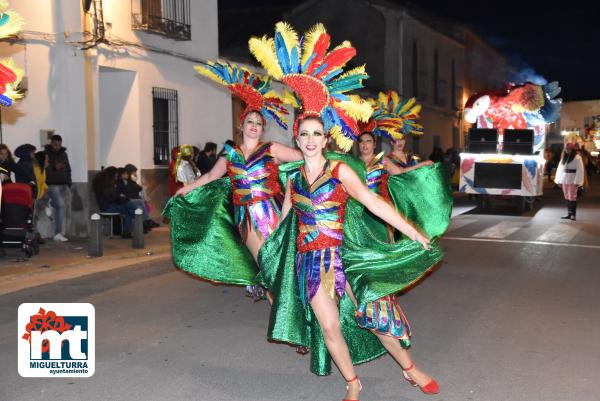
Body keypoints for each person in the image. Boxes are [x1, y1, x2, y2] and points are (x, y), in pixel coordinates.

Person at [249, 22, 450, 400]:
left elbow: (373, 202)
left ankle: (410, 369)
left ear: (326, 139)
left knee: (375, 320)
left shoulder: (338, 170)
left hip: (345, 258)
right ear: (297, 138)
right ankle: (352, 383)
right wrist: (266, 253)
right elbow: (283, 225)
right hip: (311, 264)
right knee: (328, 328)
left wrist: (414, 233)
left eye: (316, 134)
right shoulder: (293, 179)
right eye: (304, 134)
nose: (310, 140)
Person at [164, 61, 301, 302]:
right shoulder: (230, 154)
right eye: (250, 122)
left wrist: (315, 142)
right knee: (266, 267)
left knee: (282, 264)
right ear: (241, 125)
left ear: (262, 128)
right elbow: (209, 177)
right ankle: (282, 318)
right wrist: (187, 188)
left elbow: (304, 159)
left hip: (275, 213)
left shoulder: (272, 149)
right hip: (246, 218)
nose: (254, 127)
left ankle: (292, 315)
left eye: (259, 123)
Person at [44, 134, 72, 242]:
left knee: (65, 206)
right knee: (60, 206)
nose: (57, 146)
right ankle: (57, 233)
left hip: (64, 184)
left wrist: (69, 182)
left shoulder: (64, 154)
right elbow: (44, 169)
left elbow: (68, 168)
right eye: (55, 144)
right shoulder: (46, 154)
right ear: (51, 143)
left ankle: (51, 203)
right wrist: (55, 168)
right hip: (52, 184)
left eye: (59, 144)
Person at [554, 142, 585, 220]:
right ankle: (569, 213)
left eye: (569, 149)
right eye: (566, 149)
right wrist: (559, 180)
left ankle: (573, 215)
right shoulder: (564, 158)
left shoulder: (577, 157)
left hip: (572, 179)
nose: (567, 150)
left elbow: (580, 170)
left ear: (572, 149)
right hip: (565, 179)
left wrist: (577, 181)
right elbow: (560, 169)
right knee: (567, 196)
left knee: (572, 196)